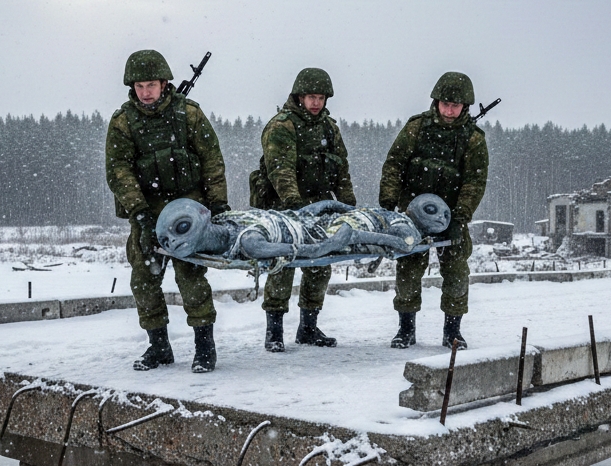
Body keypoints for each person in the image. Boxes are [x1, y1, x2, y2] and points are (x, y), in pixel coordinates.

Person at [105, 49, 229, 373]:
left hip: (187, 209)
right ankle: (159, 347)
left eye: (151, 85)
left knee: (191, 277)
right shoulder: (123, 123)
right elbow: (118, 171)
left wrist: (218, 204)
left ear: (164, 83)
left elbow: (212, 160)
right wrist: (141, 213)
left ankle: (205, 347)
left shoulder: (188, 113)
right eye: (139, 86)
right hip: (147, 212)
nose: (145, 92)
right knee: (144, 280)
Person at [379, 72, 489, 350]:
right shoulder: (417, 127)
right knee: (408, 268)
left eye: (456, 105)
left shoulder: (473, 138)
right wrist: (389, 201)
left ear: (465, 107)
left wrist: (461, 215)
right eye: (445, 103)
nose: (449, 110)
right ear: (436, 102)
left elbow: (474, 180)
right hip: (412, 214)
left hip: (451, 216)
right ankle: (405, 329)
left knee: (456, 271)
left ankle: (453, 331)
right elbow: (395, 163)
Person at [250, 68, 356, 352]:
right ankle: (274, 331)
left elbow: (341, 170)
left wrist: (348, 206)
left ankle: (308, 327)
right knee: (282, 265)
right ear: (299, 96)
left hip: (320, 206)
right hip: (284, 209)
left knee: (320, 266)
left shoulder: (329, 128)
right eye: (311, 97)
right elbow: (280, 170)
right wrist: (295, 206)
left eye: (320, 97)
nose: (316, 103)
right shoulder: (282, 126)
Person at [154, 194, 451, 267]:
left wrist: (332, 208)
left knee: (359, 223)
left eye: (180, 229)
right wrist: (349, 235)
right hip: (323, 230)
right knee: (355, 227)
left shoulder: (228, 220)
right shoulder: (250, 243)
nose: (175, 242)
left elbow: (406, 242)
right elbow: (312, 250)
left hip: (319, 223)